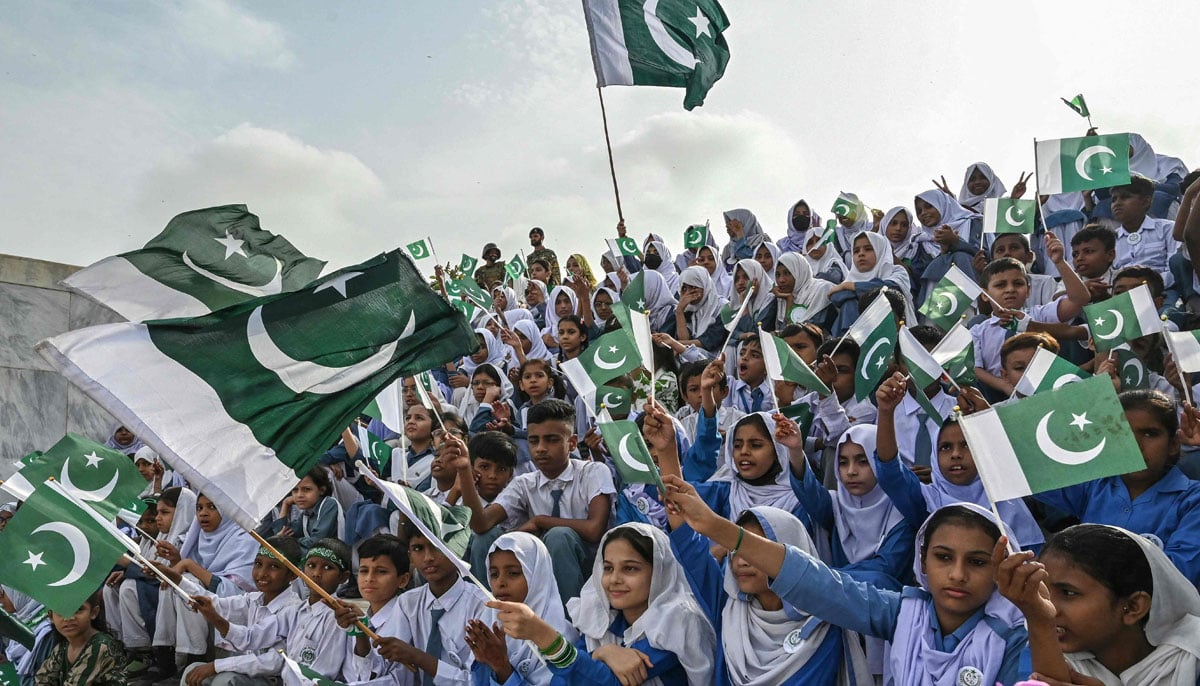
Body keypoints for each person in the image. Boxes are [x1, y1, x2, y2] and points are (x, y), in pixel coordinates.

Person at [664, 483, 1028, 686]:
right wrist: (717, 529)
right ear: (922, 562)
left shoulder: (1012, 638)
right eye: (944, 558)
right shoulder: (902, 611)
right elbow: (823, 585)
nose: (957, 574)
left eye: (977, 562)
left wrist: (1039, 618)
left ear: (1001, 568)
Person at [488, 523, 717, 686]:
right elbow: (563, 681)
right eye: (608, 568)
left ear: (659, 572)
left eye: (630, 568)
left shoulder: (678, 619)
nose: (614, 579)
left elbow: (608, 681)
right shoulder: (604, 618)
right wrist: (602, 652)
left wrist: (542, 634)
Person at [997, 524, 1200, 686]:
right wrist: (1039, 621)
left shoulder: (1192, 659)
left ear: (1133, 606)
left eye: (1068, 593)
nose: (1050, 608)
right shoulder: (1042, 647)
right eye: (1044, 591)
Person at [1032, 390, 1200, 584]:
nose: (1135, 445)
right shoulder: (1095, 485)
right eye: (1119, 432)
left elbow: (1178, 574)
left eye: (1149, 433)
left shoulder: (1191, 500)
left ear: (1173, 444)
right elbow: (1034, 473)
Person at [455, 399, 615, 602]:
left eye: (552, 440)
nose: (540, 448)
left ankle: (571, 623)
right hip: (535, 575)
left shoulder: (592, 472)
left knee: (559, 536)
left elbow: (594, 530)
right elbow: (481, 524)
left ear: (572, 443)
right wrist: (464, 471)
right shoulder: (525, 483)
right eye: (533, 441)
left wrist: (541, 521)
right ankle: (490, 614)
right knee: (487, 537)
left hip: (590, 571)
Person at [177, 536, 305, 685]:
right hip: (245, 672)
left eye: (274, 567)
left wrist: (217, 666)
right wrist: (175, 579)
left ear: (293, 574)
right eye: (258, 564)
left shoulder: (294, 610)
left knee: (225, 681)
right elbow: (216, 604)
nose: (262, 573)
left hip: (272, 679)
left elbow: (273, 662)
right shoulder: (253, 599)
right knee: (192, 670)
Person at [467, 533, 570, 686]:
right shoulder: (488, 623)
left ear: (537, 576)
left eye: (513, 573)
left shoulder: (561, 637)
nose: (500, 582)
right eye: (494, 574)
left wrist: (502, 668)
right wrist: (483, 662)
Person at [35, 590, 128, 686]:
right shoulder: (62, 647)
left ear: (94, 612)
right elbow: (42, 680)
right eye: (61, 611)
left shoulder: (101, 646)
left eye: (78, 609)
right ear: (51, 617)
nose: (68, 618)